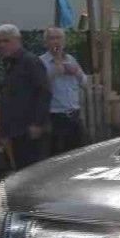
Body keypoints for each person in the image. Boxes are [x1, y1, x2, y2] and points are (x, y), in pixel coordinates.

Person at [0, 23, 51, 169]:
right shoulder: (9, 64)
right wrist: (4, 131)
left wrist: (37, 123)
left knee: (35, 171)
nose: (1, 45)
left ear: (17, 40)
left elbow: (44, 92)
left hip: (30, 130)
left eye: (6, 41)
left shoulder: (30, 61)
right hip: (15, 131)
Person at [40, 26, 88, 155]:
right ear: (46, 43)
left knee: (79, 154)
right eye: (52, 38)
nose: (56, 42)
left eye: (59, 38)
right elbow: (39, 88)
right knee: (58, 156)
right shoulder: (41, 62)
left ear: (64, 41)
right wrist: (54, 72)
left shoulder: (71, 59)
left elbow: (85, 83)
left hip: (74, 115)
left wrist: (77, 72)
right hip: (55, 118)